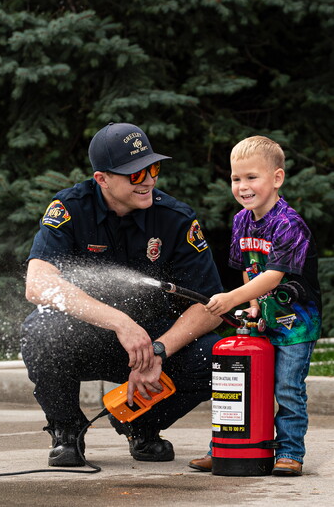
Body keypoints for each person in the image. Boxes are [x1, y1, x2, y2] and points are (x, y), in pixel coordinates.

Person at [21, 121, 223, 467]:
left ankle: (140, 425)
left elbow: (211, 307)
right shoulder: (70, 208)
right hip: (91, 336)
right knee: (40, 330)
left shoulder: (176, 218)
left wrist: (158, 351)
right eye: (134, 174)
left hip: (157, 338)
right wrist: (120, 323)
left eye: (152, 168)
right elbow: (38, 284)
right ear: (102, 179)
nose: (148, 181)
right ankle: (66, 431)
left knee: (215, 357)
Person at [189, 135, 321, 476]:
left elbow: (274, 275)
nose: (242, 186)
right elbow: (251, 269)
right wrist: (249, 304)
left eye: (252, 177)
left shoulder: (288, 224)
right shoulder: (241, 221)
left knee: (287, 389)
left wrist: (230, 299)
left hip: (296, 322)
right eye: (236, 178)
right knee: (242, 380)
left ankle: (290, 452)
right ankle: (224, 447)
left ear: (276, 178)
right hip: (261, 316)